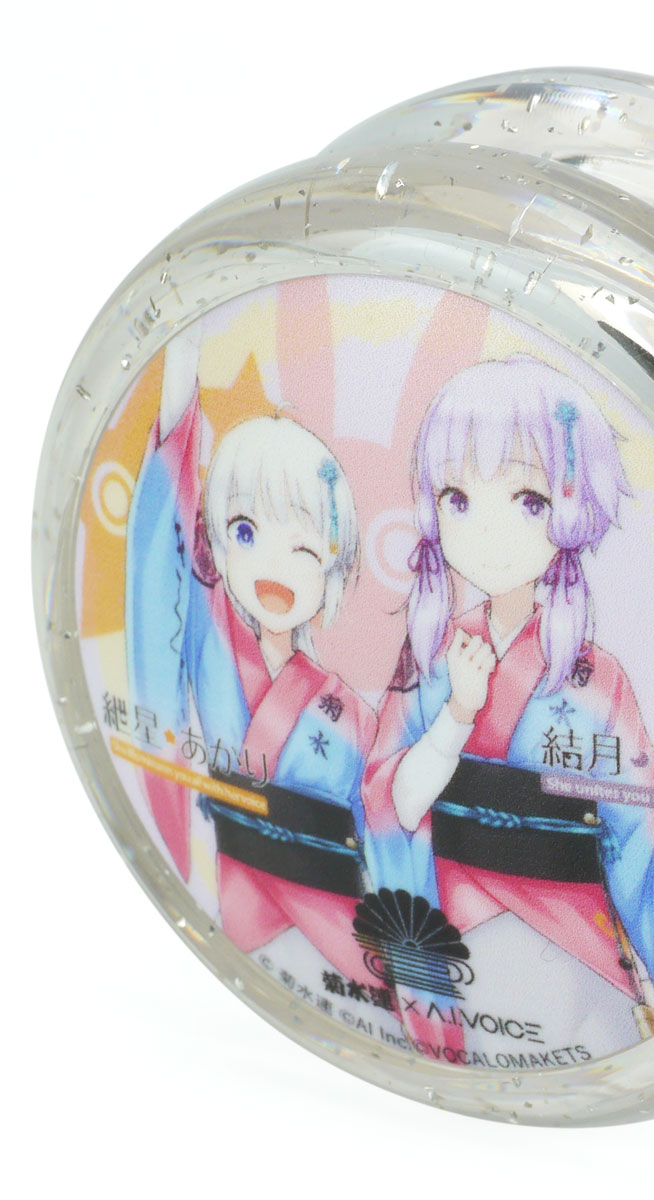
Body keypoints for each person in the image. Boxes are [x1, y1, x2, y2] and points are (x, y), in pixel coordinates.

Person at [363, 356, 654, 1055]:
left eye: (528, 500)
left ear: (569, 509)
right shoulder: (434, 657)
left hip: (579, 953)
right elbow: (392, 806)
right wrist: (458, 714)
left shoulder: (598, 681)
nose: (487, 531)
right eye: (458, 498)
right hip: (458, 938)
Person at [125, 323, 378, 989]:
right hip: (230, 908)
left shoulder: (351, 714)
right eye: (245, 530)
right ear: (216, 542)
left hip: (337, 932)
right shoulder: (212, 639)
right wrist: (180, 385)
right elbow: (160, 571)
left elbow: (379, 835)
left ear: (334, 568)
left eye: (305, 548)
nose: (274, 565)